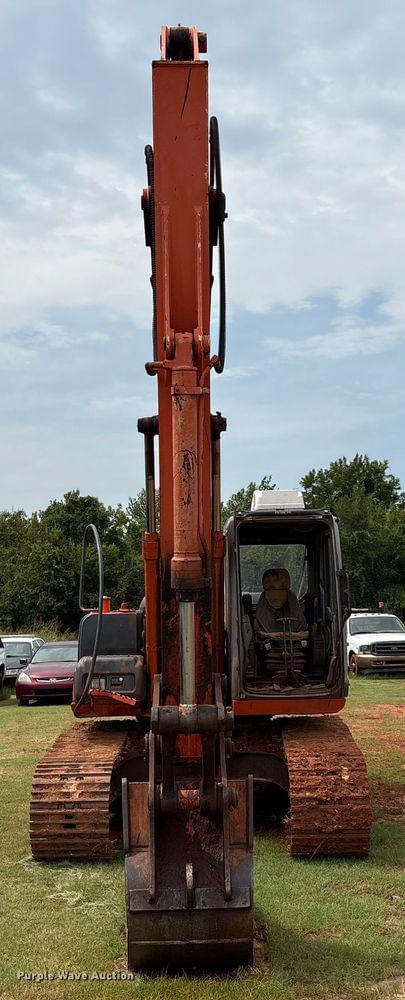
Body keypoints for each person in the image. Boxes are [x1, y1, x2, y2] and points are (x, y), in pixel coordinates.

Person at [254, 567, 306, 637]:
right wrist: (280, 634)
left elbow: (303, 630)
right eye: (272, 590)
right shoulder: (263, 602)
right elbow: (259, 633)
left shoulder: (291, 598)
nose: (277, 596)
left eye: (281, 591)